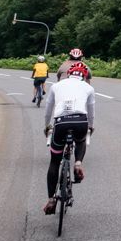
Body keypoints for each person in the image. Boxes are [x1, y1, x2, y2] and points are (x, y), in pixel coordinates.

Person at [42, 61, 95, 214]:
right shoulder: (89, 87)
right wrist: (90, 126)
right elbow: (91, 112)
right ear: (84, 77)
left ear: (68, 74)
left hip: (60, 122)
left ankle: (51, 199)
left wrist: (47, 125)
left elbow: (48, 109)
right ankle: (78, 163)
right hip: (80, 121)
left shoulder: (56, 85)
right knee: (81, 140)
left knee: (54, 161)